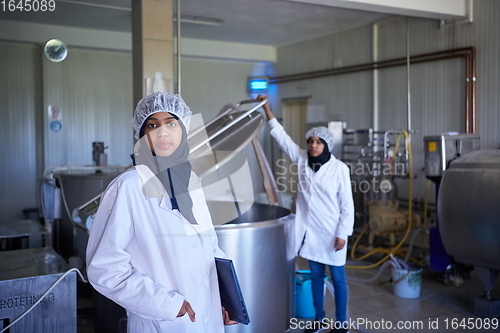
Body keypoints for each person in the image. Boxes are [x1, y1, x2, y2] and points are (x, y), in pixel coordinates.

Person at [86, 92, 238, 333]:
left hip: (206, 318)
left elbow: (207, 249)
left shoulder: (191, 182)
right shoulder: (129, 186)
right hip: (162, 323)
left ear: (184, 131)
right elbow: (105, 269)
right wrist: (167, 306)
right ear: (142, 135)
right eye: (152, 125)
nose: (162, 132)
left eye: (171, 123)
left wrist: (220, 301)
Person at [258, 95, 354, 333]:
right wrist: (267, 110)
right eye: (310, 141)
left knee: (338, 280)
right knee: (316, 278)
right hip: (311, 233)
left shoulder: (339, 169)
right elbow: (282, 137)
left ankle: (341, 324)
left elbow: (347, 206)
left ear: (327, 145)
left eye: (318, 142)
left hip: (333, 233)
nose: (313, 145)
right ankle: (319, 319)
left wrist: (343, 233)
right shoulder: (301, 159)